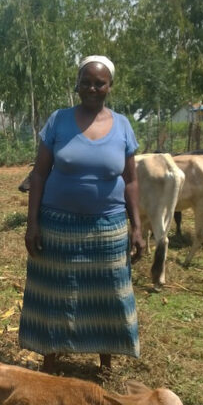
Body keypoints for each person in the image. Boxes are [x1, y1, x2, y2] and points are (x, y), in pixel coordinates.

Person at [18, 55, 146, 374]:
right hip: (57, 225)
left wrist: (138, 227)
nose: (92, 87)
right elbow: (39, 175)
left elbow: (131, 180)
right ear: (77, 85)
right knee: (55, 292)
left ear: (109, 86)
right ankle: (50, 358)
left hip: (108, 227)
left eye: (99, 83)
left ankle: (105, 362)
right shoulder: (58, 121)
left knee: (108, 293)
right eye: (86, 81)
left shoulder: (123, 126)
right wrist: (32, 224)